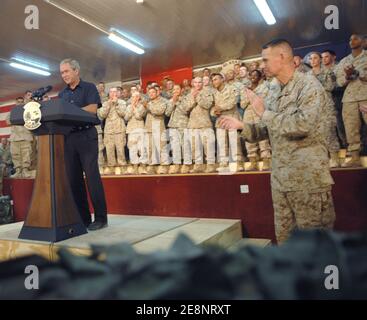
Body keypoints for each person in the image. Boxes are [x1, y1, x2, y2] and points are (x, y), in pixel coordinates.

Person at [219, 39, 335, 243]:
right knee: (285, 242)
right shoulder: (273, 90)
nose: (261, 65)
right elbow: (269, 127)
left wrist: (264, 112)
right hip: (281, 180)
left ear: (282, 57)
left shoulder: (309, 86)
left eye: (265, 60)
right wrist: (242, 127)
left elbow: (301, 126)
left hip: (308, 181)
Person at [58, 58, 107, 231]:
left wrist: (69, 111)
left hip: (87, 136)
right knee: (74, 180)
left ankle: (101, 218)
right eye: (62, 72)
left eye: (66, 71)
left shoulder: (89, 88)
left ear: (76, 71)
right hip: (69, 138)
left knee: (92, 178)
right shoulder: (62, 95)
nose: (64, 75)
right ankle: (83, 218)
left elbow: (93, 109)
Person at [335, 34, 367, 167]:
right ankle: (355, 158)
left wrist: (359, 74)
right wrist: (348, 77)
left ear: (364, 41)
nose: (352, 41)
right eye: (350, 39)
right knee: (350, 128)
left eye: (355, 38)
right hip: (349, 98)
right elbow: (339, 82)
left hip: (365, 95)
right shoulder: (344, 61)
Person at [308, 52, 340, 167]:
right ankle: (322, 159)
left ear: (320, 60)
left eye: (315, 58)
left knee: (329, 131)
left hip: (326, 105)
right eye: (310, 59)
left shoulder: (327, 71)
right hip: (313, 108)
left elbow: (331, 87)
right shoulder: (307, 75)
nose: (313, 60)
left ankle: (335, 158)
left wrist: (317, 85)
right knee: (315, 134)